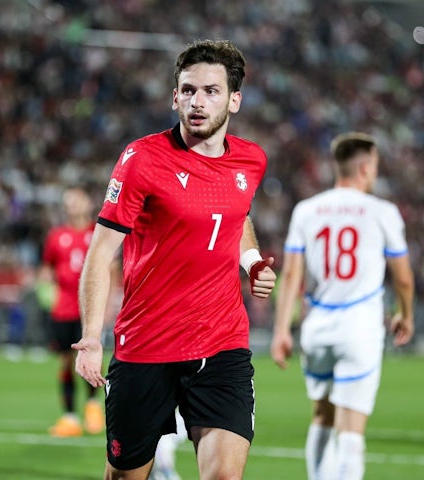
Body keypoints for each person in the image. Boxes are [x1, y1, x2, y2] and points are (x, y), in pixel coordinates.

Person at [72, 39, 276, 480]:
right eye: (188, 90)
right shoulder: (142, 159)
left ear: (234, 100)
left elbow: (236, 214)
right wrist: (91, 336)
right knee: (126, 476)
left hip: (222, 344)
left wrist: (253, 261)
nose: (197, 102)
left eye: (210, 91)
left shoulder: (251, 160)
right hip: (147, 348)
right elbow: (101, 251)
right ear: (174, 96)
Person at [270, 132, 415, 480]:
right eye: (375, 166)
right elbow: (404, 278)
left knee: (321, 416)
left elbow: (290, 275)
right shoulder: (382, 212)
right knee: (351, 432)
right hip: (360, 329)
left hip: (317, 327)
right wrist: (405, 315)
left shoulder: (307, 210)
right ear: (365, 168)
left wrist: (280, 331)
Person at [41, 187, 105, 437]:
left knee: (92, 357)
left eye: (76, 201)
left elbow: (109, 267)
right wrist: (44, 288)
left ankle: (92, 406)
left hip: (89, 307)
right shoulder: (57, 236)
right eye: (68, 202)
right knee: (66, 361)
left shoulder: (97, 232)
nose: (72, 206)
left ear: (87, 203)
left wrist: (108, 302)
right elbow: (46, 268)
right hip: (64, 308)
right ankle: (69, 417)